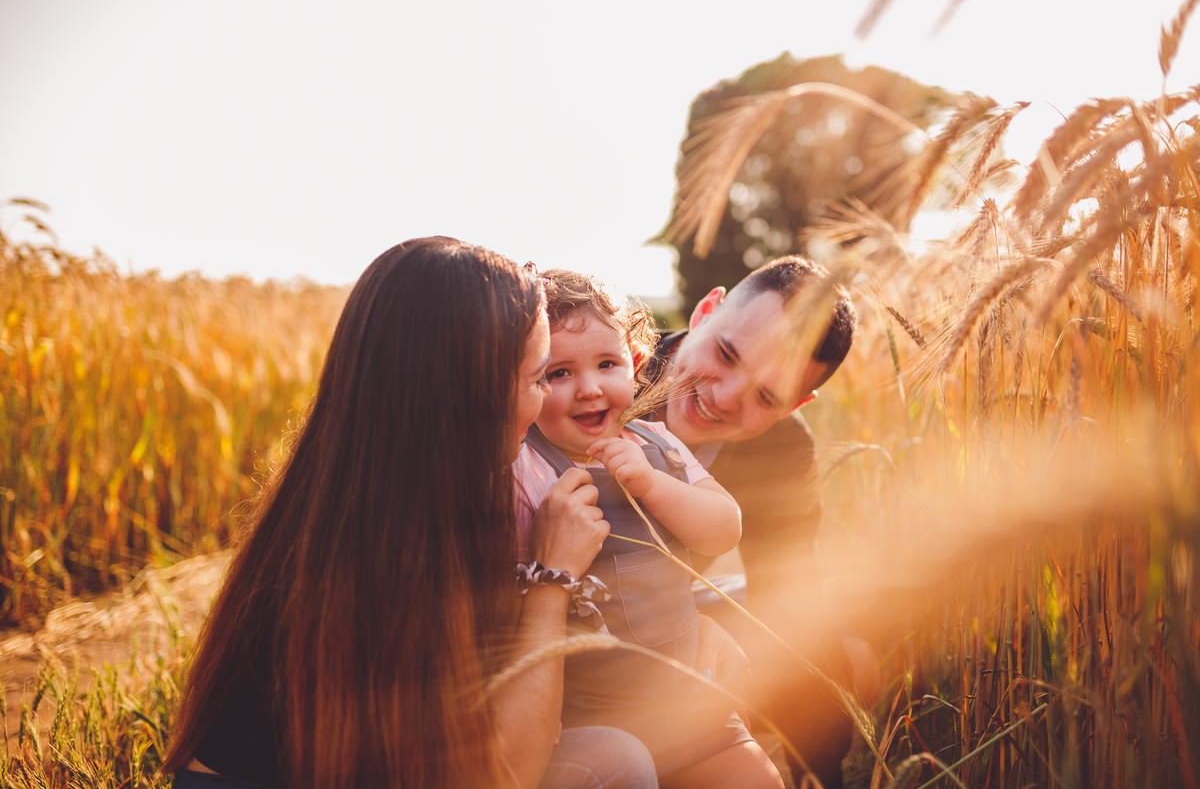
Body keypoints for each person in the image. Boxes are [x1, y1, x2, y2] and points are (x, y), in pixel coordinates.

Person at [163, 238, 667, 789]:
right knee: (615, 761)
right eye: (538, 378)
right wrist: (554, 577)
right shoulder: (385, 554)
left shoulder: (361, 489)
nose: (542, 401)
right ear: (468, 391)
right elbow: (503, 774)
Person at [512, 269, 783, 789]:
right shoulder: (526, 468)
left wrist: (654, 485)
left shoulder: (658, 444)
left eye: (607, 364)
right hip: (588, 713)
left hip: (685, 700)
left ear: (635, 366)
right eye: (558, 373)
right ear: (526, 381)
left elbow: (724, 529)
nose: (588, 388)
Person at [642, 256, 879, 789]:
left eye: (766, 396)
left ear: (797, 403)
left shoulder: (784, 446)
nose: (724, 397)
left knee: (850, 654)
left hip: (673, 614)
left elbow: (788, 600)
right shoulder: (603, 377)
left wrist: (820, 769)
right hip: (558, 618)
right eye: (726, 354)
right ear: (704, 312)